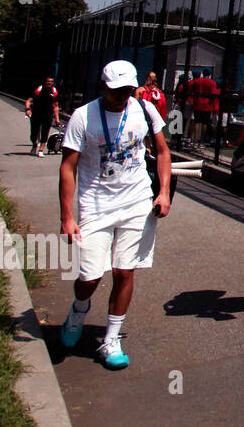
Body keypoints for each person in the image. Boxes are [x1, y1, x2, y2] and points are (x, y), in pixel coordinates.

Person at [57, 61, 171, 370]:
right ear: (103, 86)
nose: (123, 96)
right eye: (116, 90)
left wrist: (163, 192)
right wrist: (67, 217)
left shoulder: (145, 110)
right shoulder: (84, 117)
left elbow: (162, 151)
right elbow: (68, 167)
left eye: (127, 90)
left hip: (136, 202)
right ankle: (79, 308)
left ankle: (111, 338)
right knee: (90, 276)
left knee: (124, 271)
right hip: (95, 205)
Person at [25, 75, 61, 156]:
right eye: (48, 81)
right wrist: (27, 109)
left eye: (51, 82)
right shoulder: (38, 90)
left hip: (48, 115)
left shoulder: (54, 92)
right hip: (36, 114)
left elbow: (56, 106)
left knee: (45, 132)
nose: (50, 83)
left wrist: (57, 119)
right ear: (45, 82)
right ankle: (34, 145)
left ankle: (41, 150)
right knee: (33, 134)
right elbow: (28, 100)